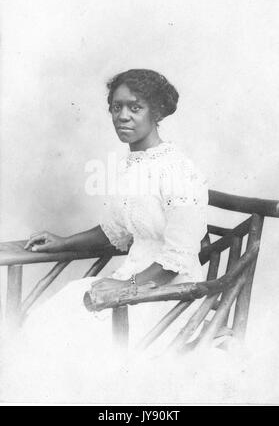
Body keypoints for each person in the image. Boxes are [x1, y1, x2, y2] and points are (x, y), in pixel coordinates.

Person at [2, 69, 208, 403]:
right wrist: (63, 241)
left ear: (156, 113)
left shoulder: (178, 170)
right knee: (50, 321)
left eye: (135, 107)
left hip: (169, 293)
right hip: (131, 281)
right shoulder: (133, 164)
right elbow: (115, 232)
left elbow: (179, 255)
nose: (122, 116)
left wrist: (129, 286)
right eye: (116, 107)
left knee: (78, 346)